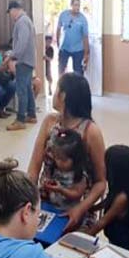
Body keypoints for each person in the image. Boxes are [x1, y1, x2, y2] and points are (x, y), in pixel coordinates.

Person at [27, 73, 107, 231]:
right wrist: (30, 200)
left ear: (63, 95)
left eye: (57, 88)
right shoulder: (50, 122)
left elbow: (100, 182)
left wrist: (80, 209)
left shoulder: (90, 132)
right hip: (45, 201)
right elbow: (34, 167)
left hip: (78, 207)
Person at [87, 144, 129, 253]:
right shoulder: (119, 188)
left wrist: (84, 235)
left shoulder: (122, 198)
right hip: (116, 241)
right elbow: (107, 201)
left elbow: (102, 222)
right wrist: (92, 208)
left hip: (125, 248)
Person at [40, 128, 89, 214]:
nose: (58, 162)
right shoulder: (54, 168)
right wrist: (47, 185)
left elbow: (77, 194)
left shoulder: (79, 174)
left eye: (63, 160)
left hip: (70, 211)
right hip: (51, 207)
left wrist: (61, 190)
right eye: (56, 158)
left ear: (75, 158)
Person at [7, 0, 38, 131]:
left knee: (22, 90)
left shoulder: (22, 22)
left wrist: (13, 56)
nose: (10, 16)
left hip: (23, 61)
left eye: (10, 13)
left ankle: (20, 120)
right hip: (28, 60)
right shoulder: (26, 20)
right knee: (27, 88)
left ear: (14, 10)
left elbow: (22, 43)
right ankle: (31, 114)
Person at [55, 0, 89, 77]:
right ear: (71, 5)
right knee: (61, 70)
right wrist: (58, 44)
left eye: (79, 5)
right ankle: (61, 88)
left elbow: (85, 36)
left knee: (78, 73)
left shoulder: (83, 19)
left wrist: (86, 53)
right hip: (64, 48)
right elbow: (58, 29)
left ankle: (78, 89)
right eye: (75, 5)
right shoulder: (63, 15)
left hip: (78, 49)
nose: (77, 7)